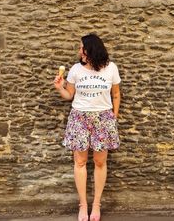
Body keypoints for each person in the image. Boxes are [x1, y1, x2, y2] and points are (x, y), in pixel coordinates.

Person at [54, 33, 121, 221]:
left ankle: (96, 205)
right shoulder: (76, 69)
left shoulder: (111, 68)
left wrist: (112, 118)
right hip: (79, 118)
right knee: (80, 162)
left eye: (80, 47)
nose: (78, 50)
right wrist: (60, 87)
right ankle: (83, 205)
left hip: (103, 118)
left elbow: (116, 94)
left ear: (89, 49)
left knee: (100, 162)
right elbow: (70, 96)